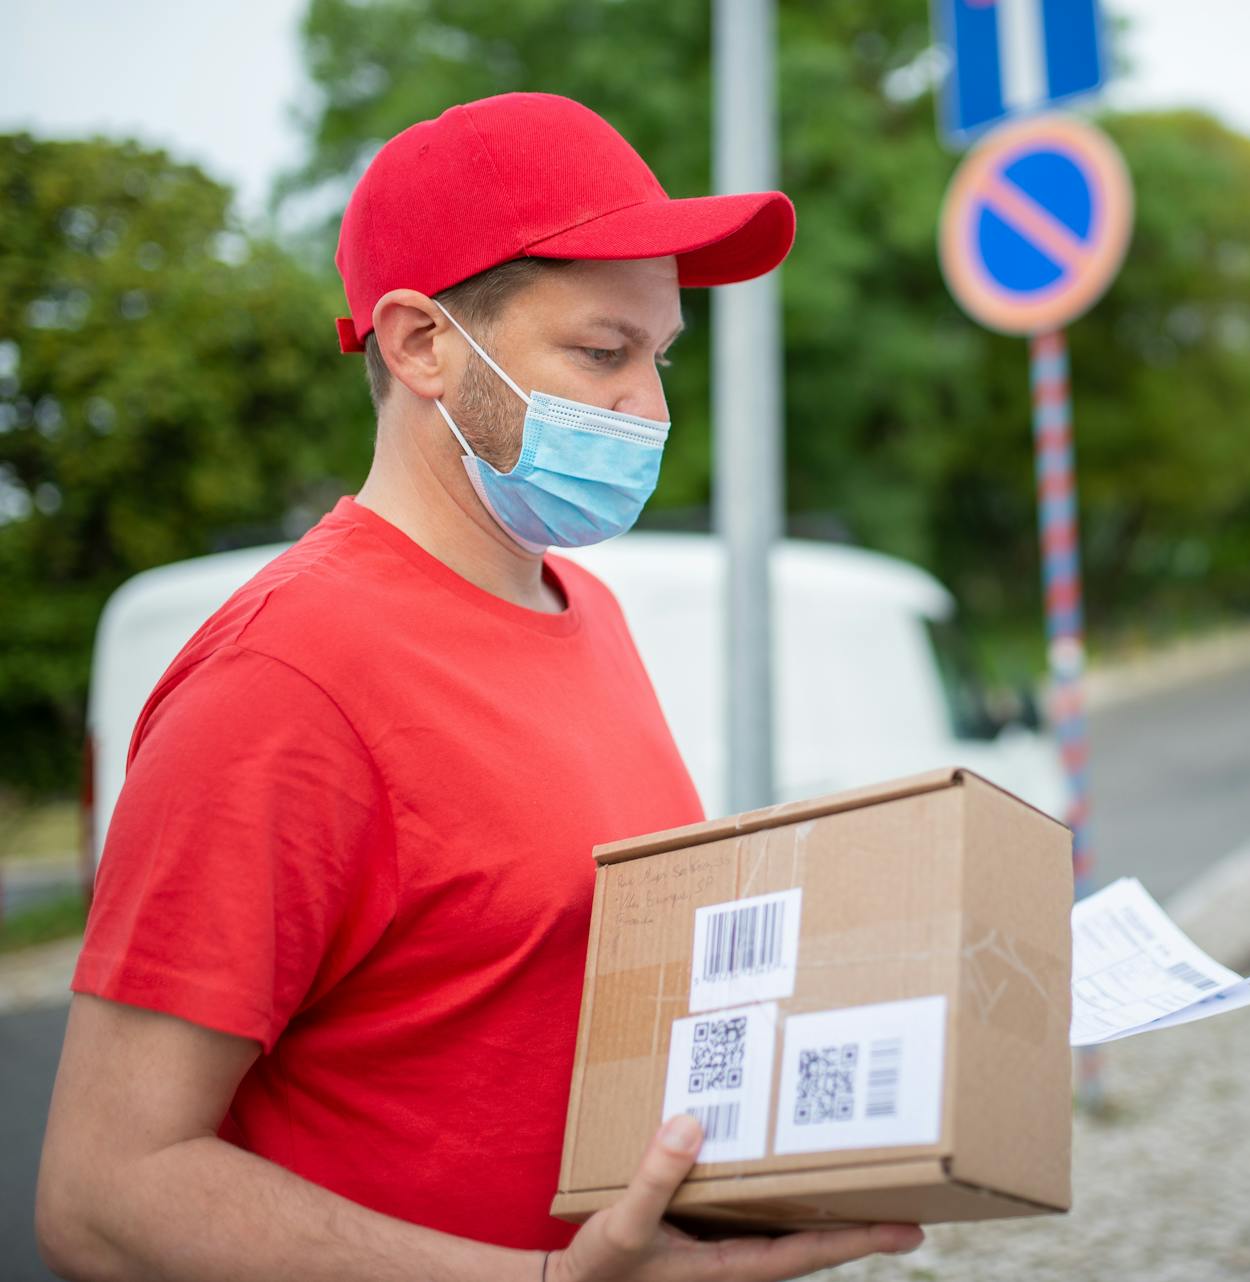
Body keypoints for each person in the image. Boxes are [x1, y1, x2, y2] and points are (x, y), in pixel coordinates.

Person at [35, 92, 924, 1282]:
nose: (651, 410)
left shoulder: (581, 606)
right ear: (419, 344)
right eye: (602, 353)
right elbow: (105, 1193)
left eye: (660, 357)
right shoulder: (282, 681)